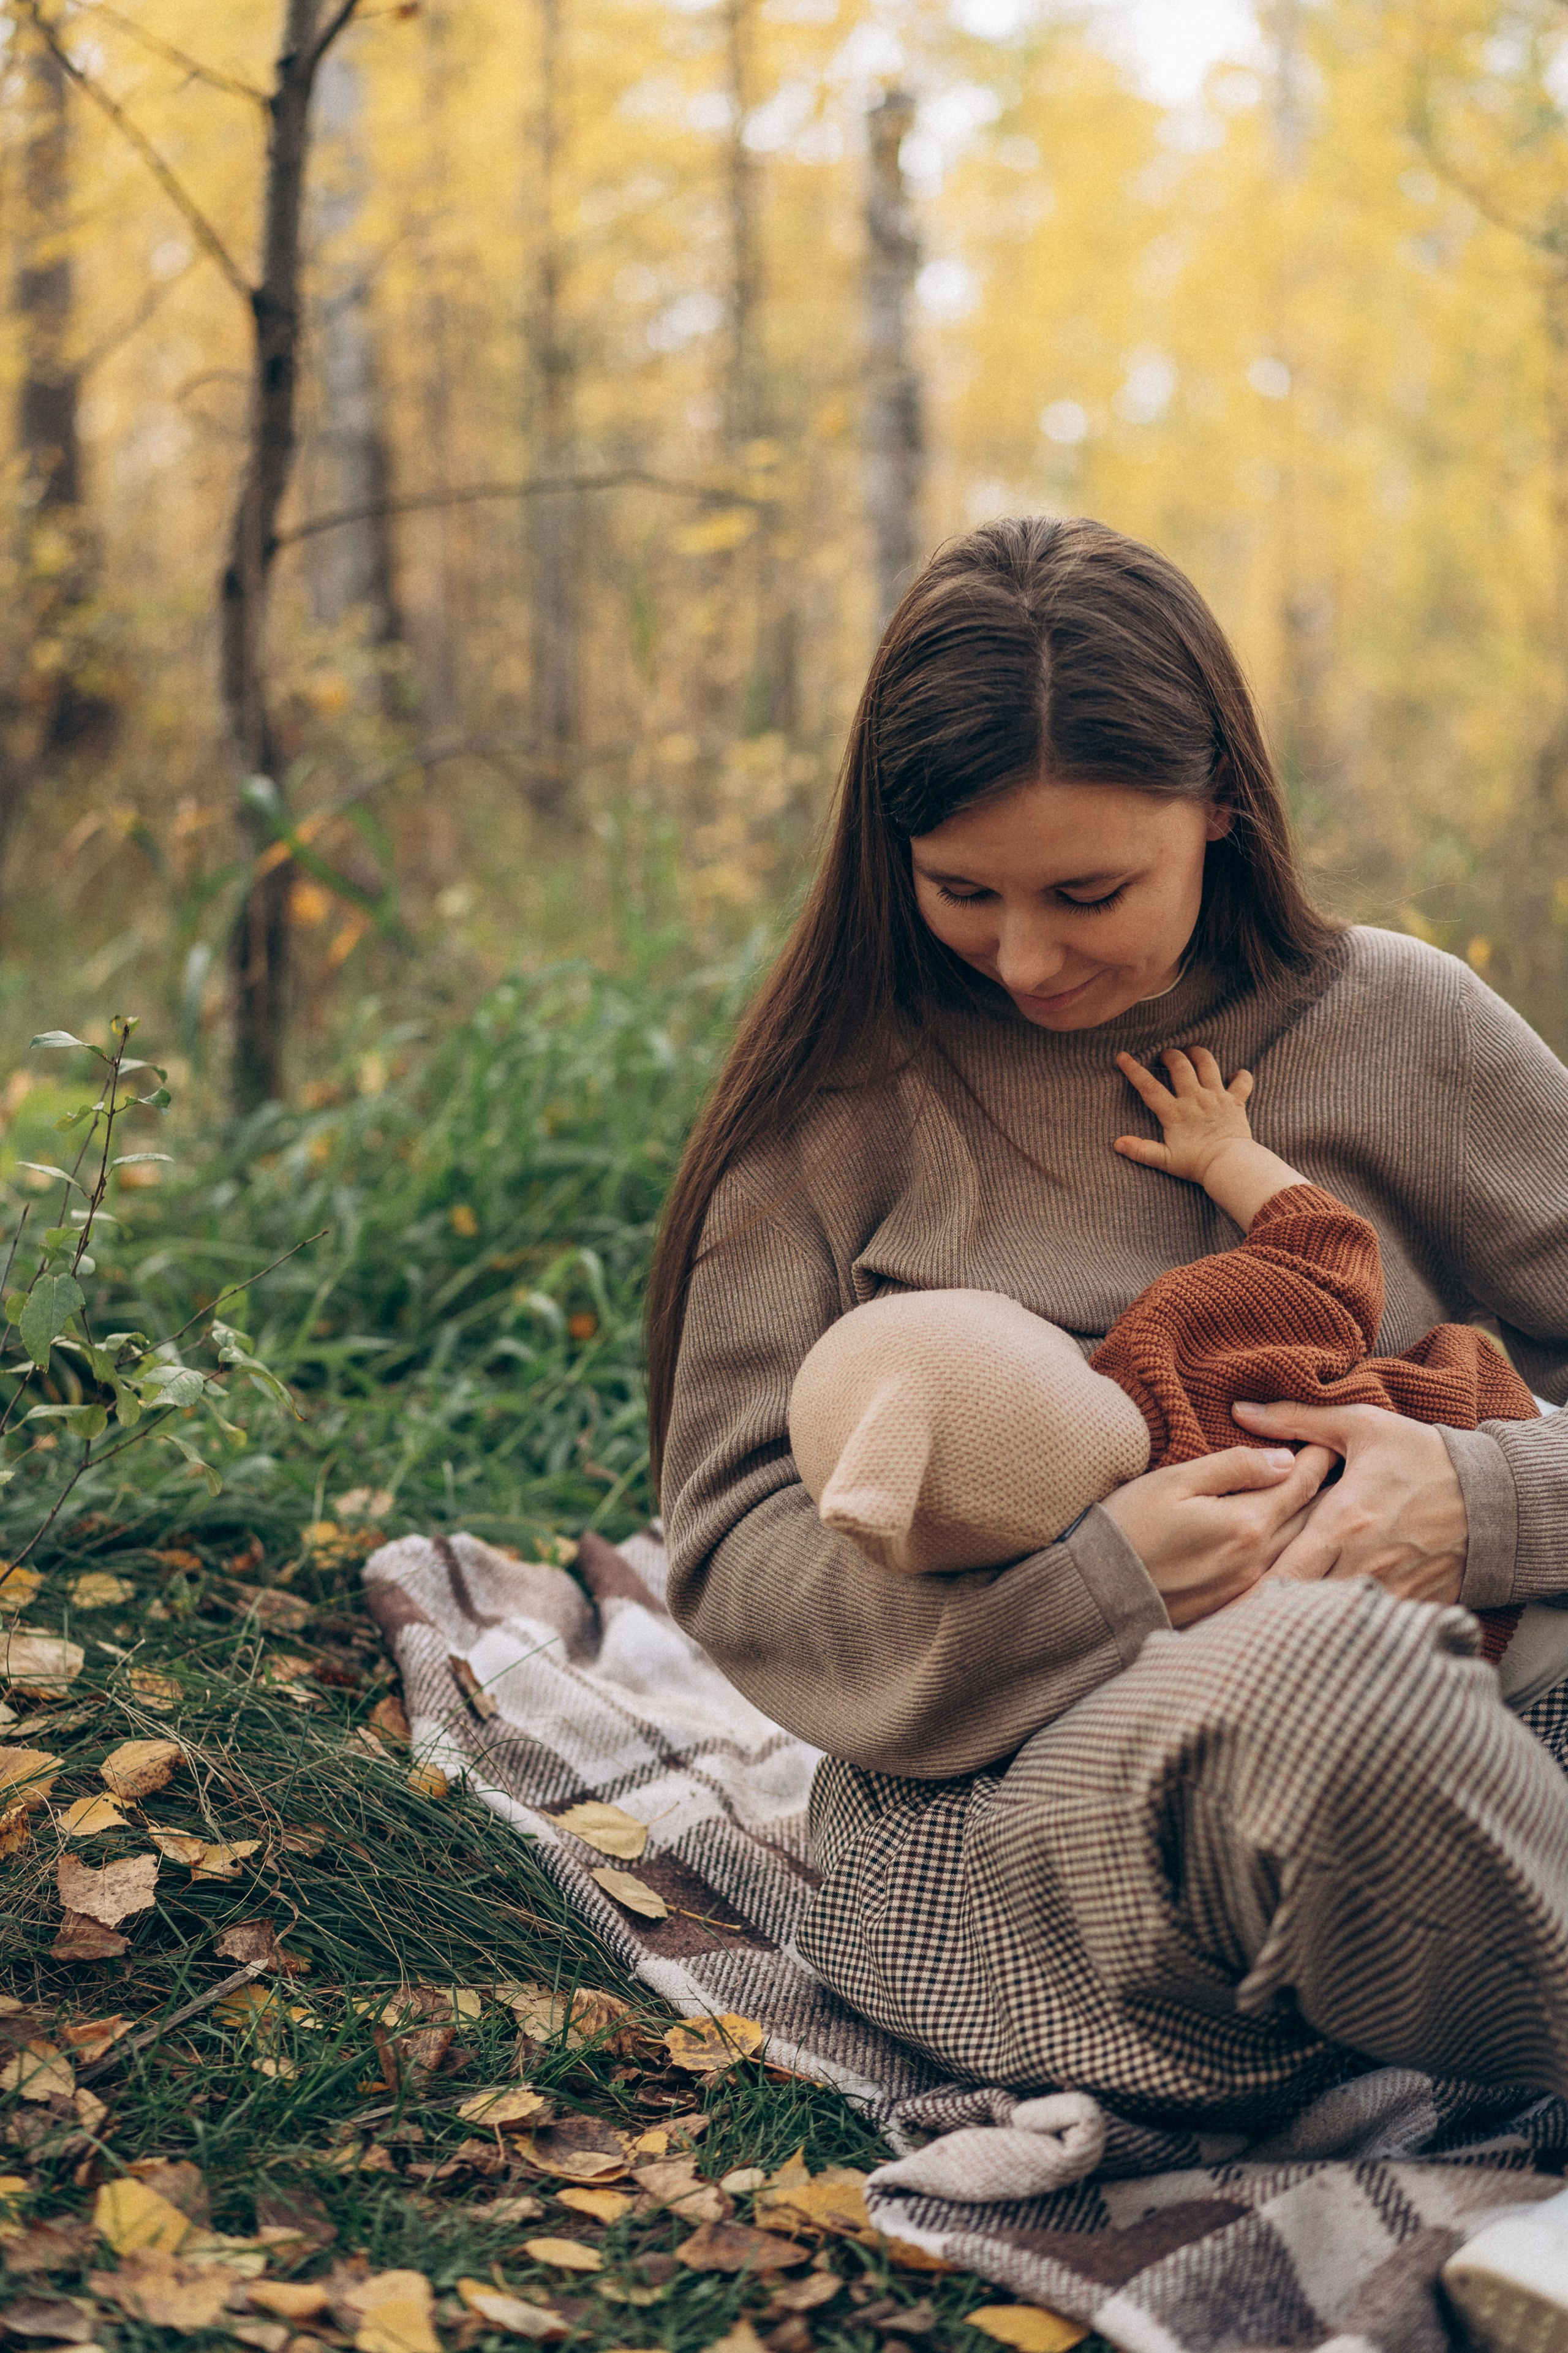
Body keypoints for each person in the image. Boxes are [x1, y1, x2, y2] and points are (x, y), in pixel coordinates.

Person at [646, 515, 1568, 2126]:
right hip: (1051, 1826)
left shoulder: (1403, 1025)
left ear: (1220, 804)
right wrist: (1103, 1583)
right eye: (962, 892)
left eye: (1088, 890)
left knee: (1400, 1675)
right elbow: (736, 1553)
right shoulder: (837, 1111)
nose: (1025, 957)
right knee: (1327, 1683)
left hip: (1495, 1706)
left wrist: (1482, 1502)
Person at [783, 1043, 1536, 1686]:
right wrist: (1223, 1153)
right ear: (1008, 1320)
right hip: (1487, 1475)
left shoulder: (1047, 1591)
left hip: (1421, 1674)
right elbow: (1328, 1249)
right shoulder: (1175, 1344)